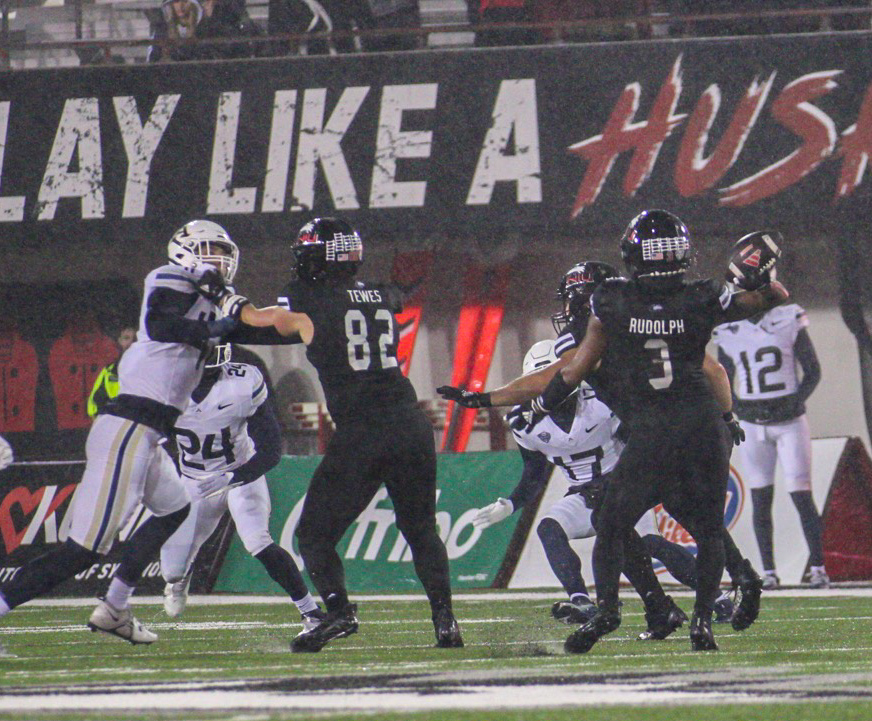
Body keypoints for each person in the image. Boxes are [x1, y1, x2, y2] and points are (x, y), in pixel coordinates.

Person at [440, 215, 784, 652]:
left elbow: (560, 374)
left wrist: (494, 398)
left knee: (632, 521)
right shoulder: (692, 298)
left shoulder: (610, 312)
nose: (567, 310)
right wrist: (729, 417)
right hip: (690, 424)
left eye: (572, 301)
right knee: (695, 520)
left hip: (651, 432)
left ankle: (626, 609)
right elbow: (716, 362)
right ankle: (712, 599)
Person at [0, 220, 304, 646]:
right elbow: (162, 323)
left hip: (149, 432)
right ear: (186, 251)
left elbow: (256, 327)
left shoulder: (208, 305)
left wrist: (304, 320)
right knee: (83, 551)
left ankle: (114, 609)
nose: (219, 260)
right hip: (129, 425)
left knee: (174, 507)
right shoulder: (168, 277)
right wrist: (218, 324)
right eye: (210, 250)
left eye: (224, 252)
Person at [276, 217, 463, 653]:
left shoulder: (308, 296)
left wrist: (227, 312)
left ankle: (339, 612)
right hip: (409, 423)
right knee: (420, 529)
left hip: (363, 431)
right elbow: (395, 296)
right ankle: (445, 619)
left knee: (314, 535)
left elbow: (271, 322)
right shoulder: (379, 293)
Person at [161, 343, 322, 629]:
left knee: (258, 540)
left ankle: (310, 611)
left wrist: (235, 477)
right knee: (172, 570)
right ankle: (179, 580)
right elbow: (153, 444)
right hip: (194, 482)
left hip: (240, 473)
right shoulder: (164, 389)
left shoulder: (241, 382)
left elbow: (271, 448)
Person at [712, 265, 827, 589]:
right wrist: (737, 409)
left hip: (789, 421)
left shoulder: (788, 316)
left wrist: (795, 400)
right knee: (761, 497)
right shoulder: (729, 329)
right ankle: (770, 572)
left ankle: (818, 568)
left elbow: (813, 370)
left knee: (801, 495)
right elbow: (724, 380)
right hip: (753, 423)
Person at [87, 325, 137, 420]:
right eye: (126, 338)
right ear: (120, 341)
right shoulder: (109, 371)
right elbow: (94, 405)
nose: (131, 343)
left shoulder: (150, 369)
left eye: (135, 339)